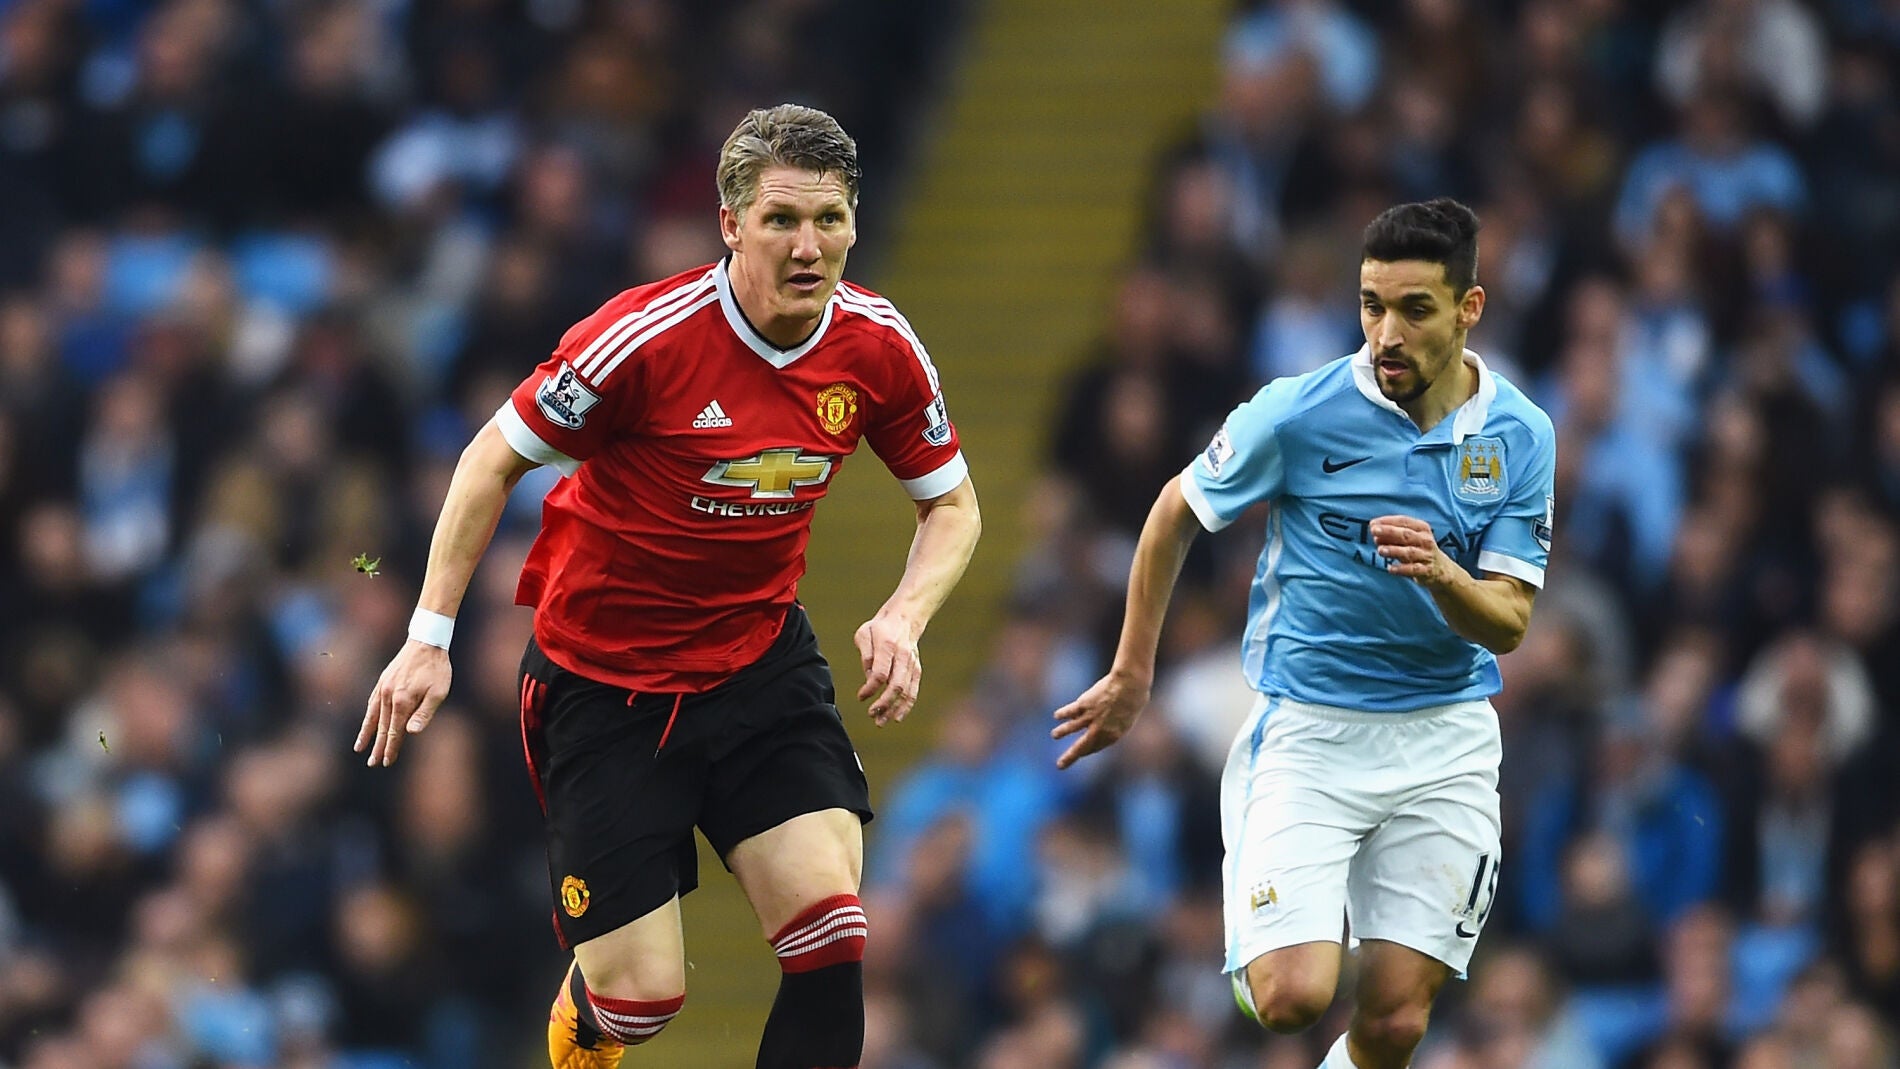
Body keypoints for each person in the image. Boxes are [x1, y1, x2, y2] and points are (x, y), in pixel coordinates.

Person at [356, 103, 982, 1069]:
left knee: (833, 930)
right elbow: (490, 460)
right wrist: (428, 636)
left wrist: (904, 615)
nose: (808, 247)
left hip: (756, 664)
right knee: (641, 1001)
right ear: (731, 224)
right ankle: (588, 1019)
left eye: (829, 219)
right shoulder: (642, 340)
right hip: (605, 685)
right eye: (781, 219)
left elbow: (954, 506)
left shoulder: (878, 347)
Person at [1053, 198, 1556, 1069]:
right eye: (1371, 305)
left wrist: (1442, 573)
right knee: (1293, 997)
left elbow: (1510, 620)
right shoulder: (1298, 413)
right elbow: (1175, 511)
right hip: (1312, 732)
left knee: (1395, 1022)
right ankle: (1265, 919)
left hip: (1445, 739)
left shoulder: (1520, 434)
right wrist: (1133, 671)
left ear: (1469, 308)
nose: (1386, 333)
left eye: (1415, 309)